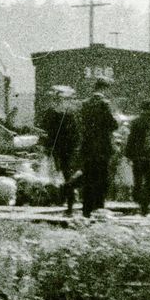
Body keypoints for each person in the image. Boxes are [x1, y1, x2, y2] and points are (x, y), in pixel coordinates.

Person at [75, 77, 120, 217]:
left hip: (87, 148)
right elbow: (113, 125)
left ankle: (86, 210)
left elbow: (79, 124)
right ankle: (98, 208)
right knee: (101, 178)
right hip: (102, 149)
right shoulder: (104, 104)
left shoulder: (84, 104)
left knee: (88, 178)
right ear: (105, 88)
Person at [44, 86, 82, 215]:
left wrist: (48, 147)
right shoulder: (71, 114)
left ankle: (65, 199)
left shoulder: (53, 114)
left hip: (59, 149)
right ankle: (67, 198)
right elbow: (76, 134)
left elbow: (48, 133)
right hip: (67, 150)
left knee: (62, 173)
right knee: (66, 174)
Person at [125, 100, 150, 215]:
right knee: (149, 180)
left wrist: (128, 153)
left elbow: (131, 138)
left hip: (138, 155)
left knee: (138, 179)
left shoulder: (136, 122)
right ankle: (145, 204)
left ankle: (138, 198)